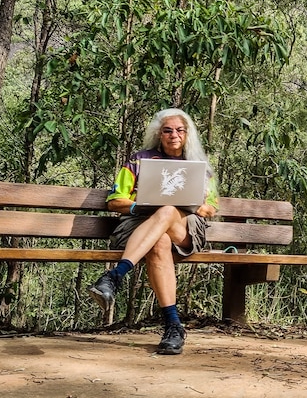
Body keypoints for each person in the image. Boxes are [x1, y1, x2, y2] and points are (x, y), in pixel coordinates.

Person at [89, 108, 219, 355]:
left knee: (169, 210)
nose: (174, 135)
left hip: (186, 229)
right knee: (159, 241)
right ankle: (172, 325)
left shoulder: (198, 165)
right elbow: (115, 201)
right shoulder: (139, 161)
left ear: (187, 134)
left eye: (180, 130)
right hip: (140, 225)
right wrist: (141, 205)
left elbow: (211, 207)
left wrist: (197, 204)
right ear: (159, 134)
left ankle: (115, 276)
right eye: (168, 130)